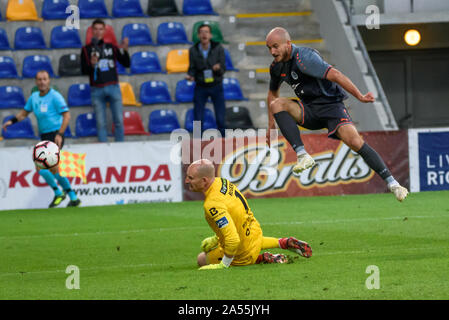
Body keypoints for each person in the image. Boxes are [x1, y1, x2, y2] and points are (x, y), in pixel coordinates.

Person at [265, 27, 408, 202]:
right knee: (277, 104)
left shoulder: (305, 58)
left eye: (275, 46)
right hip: (309, 110)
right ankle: (303, 155)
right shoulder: (277, 67)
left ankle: (393, 184)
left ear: (288, 43)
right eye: (269, 48)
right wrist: (271, 125)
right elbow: (272, 94)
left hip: (331, 108)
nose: (272, 52)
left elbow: (336, 75)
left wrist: (360, 96)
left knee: (355, 141)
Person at [185, 159, 312, 270]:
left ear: (204, 180)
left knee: (201, 259)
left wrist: (224, 264)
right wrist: (216, 239)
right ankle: (283, 242)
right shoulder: (222, 182)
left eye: (190, 178)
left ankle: (259, 258)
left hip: (242, 248)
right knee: (245, 241)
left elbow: (233, 240)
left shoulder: (212, 204)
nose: (186, 181)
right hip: (254, 232)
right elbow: (234, 215)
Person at [2, 70, 81, 208]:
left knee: (44, 167)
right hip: (44, 135)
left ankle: (59, 193)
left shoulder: (55, 96)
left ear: (49, 80)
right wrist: (12, 121)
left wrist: (60, 134)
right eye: (39, 79)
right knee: (51, 169)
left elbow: (67, 116)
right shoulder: (34, 97)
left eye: (45, 79)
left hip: (55, 134)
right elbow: (24, 113)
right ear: (36, 81)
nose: (42, 82)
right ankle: (72, 197)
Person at [81, 19, 130, 142]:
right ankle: (104, 152)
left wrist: (125, 50)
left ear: (104, 31)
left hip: (113, 87)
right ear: (92, 31)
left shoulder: (112, 47)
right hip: (96, 89)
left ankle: (120, 150)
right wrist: (91, 65)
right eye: (95, 29)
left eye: (100, 29)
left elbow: (126, 63)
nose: (98, 31)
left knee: (118, 121)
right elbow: (83, 71)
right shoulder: (86, 50)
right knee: (101, 124)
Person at [186, 23, 226, 137]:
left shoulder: (218, 48)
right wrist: (190, 75)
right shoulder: (193, 50)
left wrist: (218, 68)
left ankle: (224, 144)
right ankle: (198, 144)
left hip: (216, 85)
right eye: (202, 32)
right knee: (198, 119)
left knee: (220, 119)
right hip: (201, 86)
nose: (204, 34)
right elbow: (192, 68)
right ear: (198, 35)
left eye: (206, 32)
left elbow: (223, 68)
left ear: (210, 35)